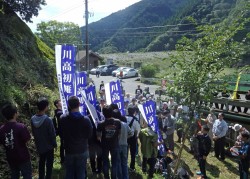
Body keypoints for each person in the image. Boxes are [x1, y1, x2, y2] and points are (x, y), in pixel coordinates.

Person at [59, 96, 93, 179]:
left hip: (69, 149)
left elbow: (61, 134)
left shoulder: (63, 118)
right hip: (82, 149)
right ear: (79, 104)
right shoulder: (86, 120)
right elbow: (89, 135)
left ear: (69, 105)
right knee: (81, 172)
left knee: (69, 172)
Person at [0, 103, 32, 179]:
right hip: (23, 157)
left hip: (11, 157)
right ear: (15, 114)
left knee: (14, 175)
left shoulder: (1, 129)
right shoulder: (20, 126)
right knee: (27, 175)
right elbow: (27, 139)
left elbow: (2, 142)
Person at [31, 97, 57, 179]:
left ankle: (41, 177)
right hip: (49, 146)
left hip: (39, 145)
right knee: (49, 164)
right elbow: (52, 134)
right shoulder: (48, 120)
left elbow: (34, 132)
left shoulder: (32, 119)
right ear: (46, 106)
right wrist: (54, 144)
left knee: (41, 162)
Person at [97, 105, 121, 179]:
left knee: (105, 163)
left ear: (103, 113)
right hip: (115, 144)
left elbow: (98, 137)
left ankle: (106, 177)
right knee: (114, 163)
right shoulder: (118, 122)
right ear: (112, 112)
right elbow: (119, 133)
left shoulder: (100, 123)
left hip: (104, 145)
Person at [113, 109, 134, 179]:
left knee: (118, 163)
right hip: (125, 145)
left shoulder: (114, 125)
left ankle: (120, 177)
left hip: (117, 146)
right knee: (124, 163)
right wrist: (126, 137)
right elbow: (131, 133)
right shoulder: (125, 124)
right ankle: (126, 177)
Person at [126, 106, 141, 171]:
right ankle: (132, 167)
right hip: (133, 138)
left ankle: (124, 165)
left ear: (128, 111)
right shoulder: (135, 120)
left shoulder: (124, 118)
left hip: (125, 137)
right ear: (134, 112)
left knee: (125, 152)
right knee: (133, 153)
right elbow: (138, 130)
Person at [53, 99, 64, 165]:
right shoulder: (59, 112)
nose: (62, 102)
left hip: (61, 130)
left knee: (63, 144)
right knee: (63, 144)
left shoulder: (60, 111)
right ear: (57, 104)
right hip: (62, 131)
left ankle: (63, 159)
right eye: (60, 101)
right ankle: (62, 159)